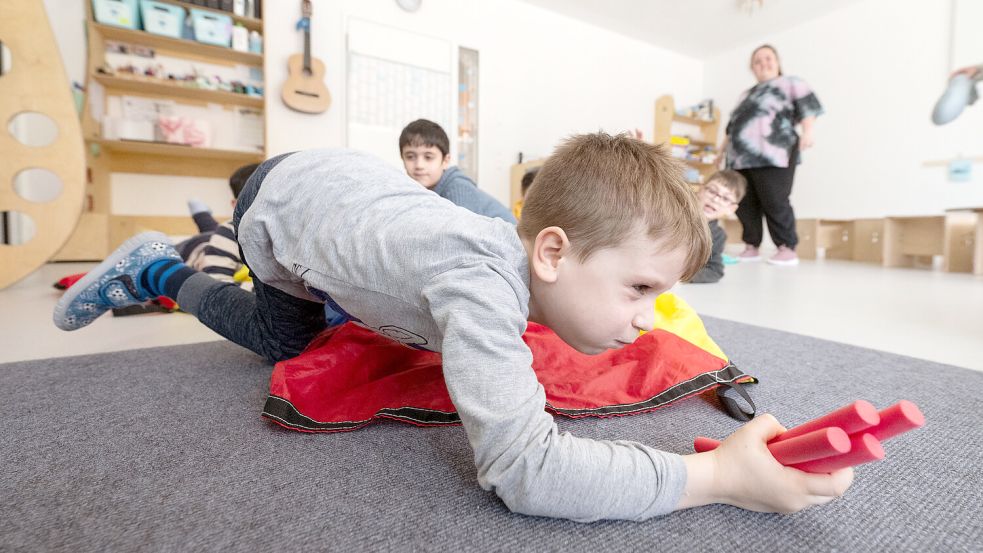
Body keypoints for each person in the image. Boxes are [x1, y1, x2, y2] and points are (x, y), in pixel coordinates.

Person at [53, 133, 852, 522]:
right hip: (282, 199)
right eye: (638, 289)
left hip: (349, 177)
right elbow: (525, 471)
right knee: (285, 338)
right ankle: (155, 267)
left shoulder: (507, 243)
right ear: (550, 250)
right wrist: (716, 479)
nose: (644, 323)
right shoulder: (479, 284)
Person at [719, 44, 823, 266]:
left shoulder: (791, 83)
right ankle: (751, 246)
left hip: (776, 152)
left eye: (768, 58)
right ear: (752, 68)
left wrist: (808, 132)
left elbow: (808, 108)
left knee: (775, 199)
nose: (763, 63)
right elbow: (732, 127)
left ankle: (786, 247)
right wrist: (720, 152)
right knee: (744, 202)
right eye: (757, 61)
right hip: (739, 157)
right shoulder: (745, 95)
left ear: (777, 61)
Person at [399, 119, 516, 223]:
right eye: (410, 157)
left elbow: (459, 240)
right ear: (402, 158)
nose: (419, 165)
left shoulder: (458, 188)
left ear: (445, 161)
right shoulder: (414, 190)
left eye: (428, 157)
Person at [175, 163, 258, 289]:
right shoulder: (230, 233)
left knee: (212, 230)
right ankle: (201, 214)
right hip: (193, 251)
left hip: (218, 239)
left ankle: (201, 213)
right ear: (237, 206)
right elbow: (216, 285)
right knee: (215, 234)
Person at [690, 170, 747, 283]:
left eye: (725, 199)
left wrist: (682, 277)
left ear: (731, 209)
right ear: (700, 190)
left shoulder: (717, 236)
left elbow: (715, 271)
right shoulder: (673, 215)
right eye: (712, 191)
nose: (715, 200)